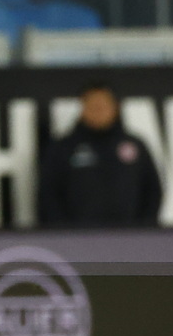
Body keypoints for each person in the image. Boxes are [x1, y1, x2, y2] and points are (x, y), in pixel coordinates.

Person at [39, 82, 162, 228]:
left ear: (115, 108)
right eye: (92, 106)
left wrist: (144, 228)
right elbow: (48, 194)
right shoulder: (63, 148)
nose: (98, 111)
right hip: (77, 236)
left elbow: (152, 190)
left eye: (103, 106)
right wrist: (62, 230)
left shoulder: (135, 146)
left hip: (129, 234)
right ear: (82, 109)